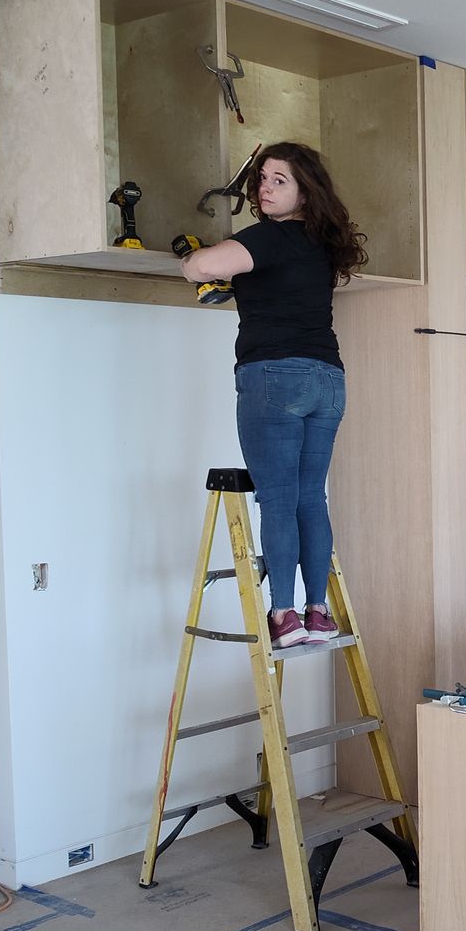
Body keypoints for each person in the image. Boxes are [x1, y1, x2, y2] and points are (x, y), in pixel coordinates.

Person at [179, 143, 367, 650]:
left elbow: (197, 269)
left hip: (275, 378)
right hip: (328, 379)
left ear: (305, 189)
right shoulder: (319, 244)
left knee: (279, 499)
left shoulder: (271, 236)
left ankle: (283, 614)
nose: (264, 187)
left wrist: (194, 256)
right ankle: (318, 612)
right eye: (262, 178)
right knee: (310, 496)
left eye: (279, 180)